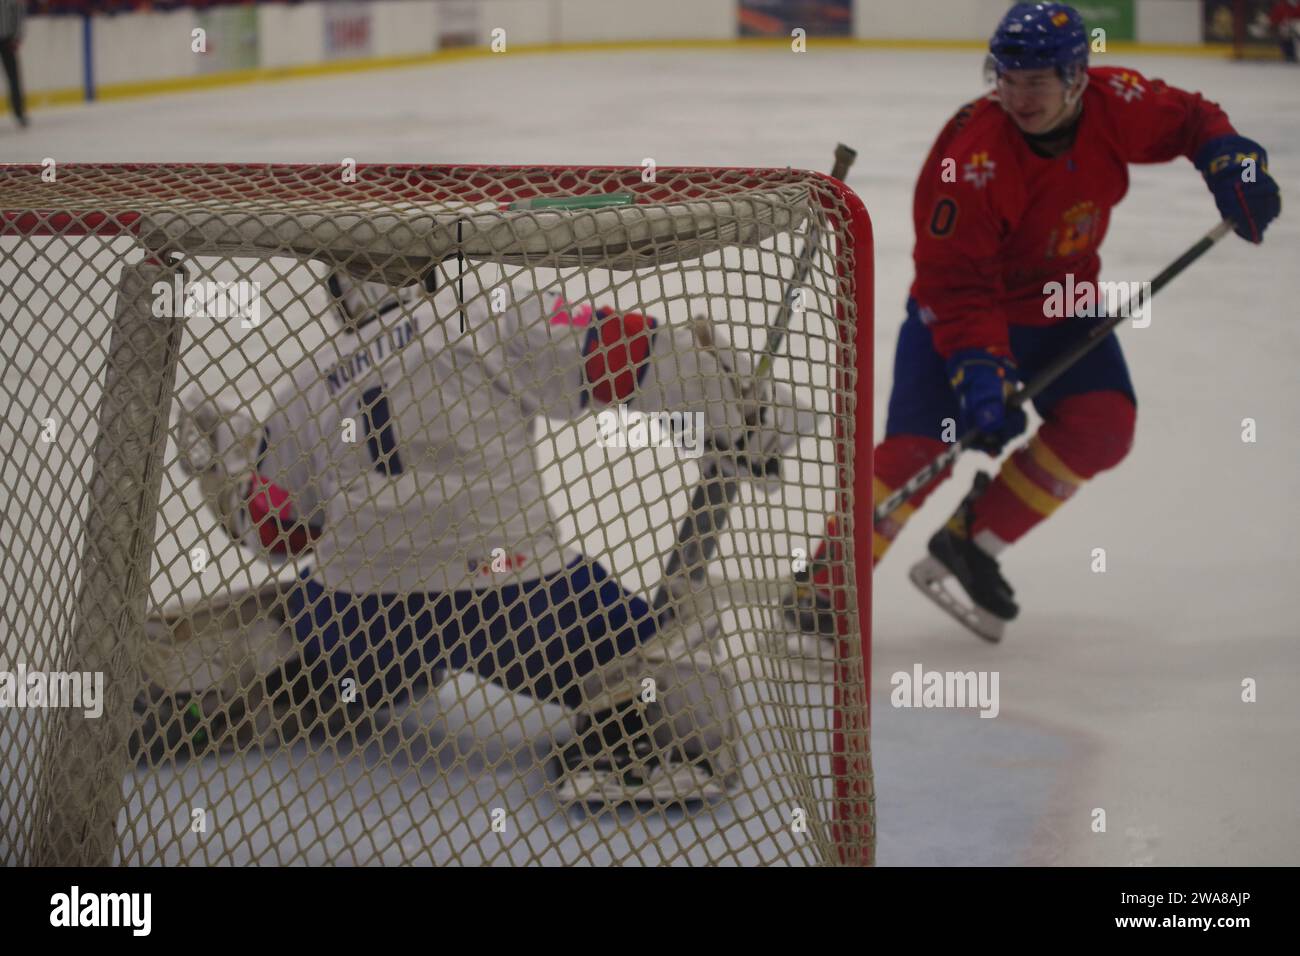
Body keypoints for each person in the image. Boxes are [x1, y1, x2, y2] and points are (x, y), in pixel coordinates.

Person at [170, 266, 815, 803]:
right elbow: (616, 353)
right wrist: (731, 408)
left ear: (338, 296)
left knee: (304, 612)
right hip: (515, 601)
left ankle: (223, 683)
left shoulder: (303, 393)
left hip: (362, 615)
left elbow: (280, 535)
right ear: (424, 267)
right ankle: (657, 722)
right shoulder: (484, 314)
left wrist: (232, 477)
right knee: (666, 638)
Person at [800, 2, 1280, 642]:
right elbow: (952, 280)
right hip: (962, 313)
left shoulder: (1117, 104)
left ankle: (972, 539)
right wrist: (979, 369)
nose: (1018, 96)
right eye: (1008, 78)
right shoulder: (973, 159)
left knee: (1104, 424)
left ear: (1077, 77)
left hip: (1061, 306)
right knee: (924, 449)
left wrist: (1233, 163)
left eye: (1037, 81)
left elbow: (1196, 119)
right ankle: (825, 589)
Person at [0, 0, 27, 128]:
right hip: (7, 39)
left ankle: (19, 112)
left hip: (7, 40)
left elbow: (19, 12)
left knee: (14, 78)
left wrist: (17, 37)